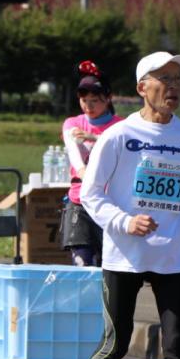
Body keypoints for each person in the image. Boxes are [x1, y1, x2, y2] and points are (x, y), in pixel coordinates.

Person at [77, 51, 180, 359]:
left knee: (177, 343)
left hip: (173, 254)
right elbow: (90, 193)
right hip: (124, 254)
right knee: (116, 341)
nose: (174, 87)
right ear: (141, 88)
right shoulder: (118, 135)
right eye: (164, 78)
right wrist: (124, 221)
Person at [60, 60, 122, 266]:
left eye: (95, 100)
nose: (89, 105)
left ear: (108, 98)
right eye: (84, 99)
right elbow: (73, 151)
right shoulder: (73, 123)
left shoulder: (121, 126)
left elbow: (120, 149)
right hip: (80, 200)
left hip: (112, 201)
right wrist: (83, 172)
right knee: (82, 261)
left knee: (110, 265)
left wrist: (93, 137)